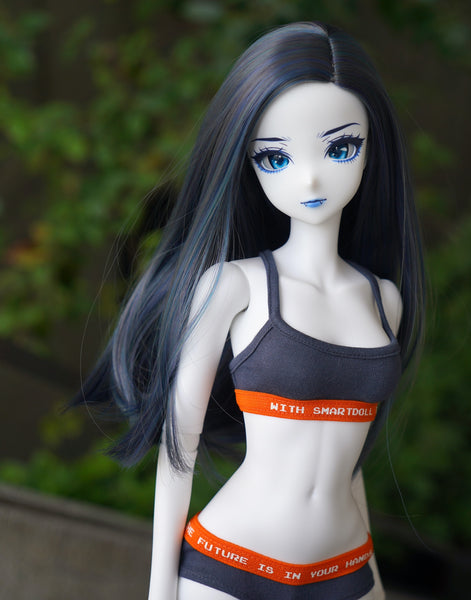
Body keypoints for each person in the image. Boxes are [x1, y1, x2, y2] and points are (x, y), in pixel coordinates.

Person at [75, 21, 425, 600]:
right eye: (275, 158)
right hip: (234, 565)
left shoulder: (384, 298)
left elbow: (348, 457)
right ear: (248, 163)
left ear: (372, 151)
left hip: (346, 569)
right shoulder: (234, 286)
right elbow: (179, 448)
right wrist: (160, 589)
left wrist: (376, 583)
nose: (310, 177)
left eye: (340, 148)